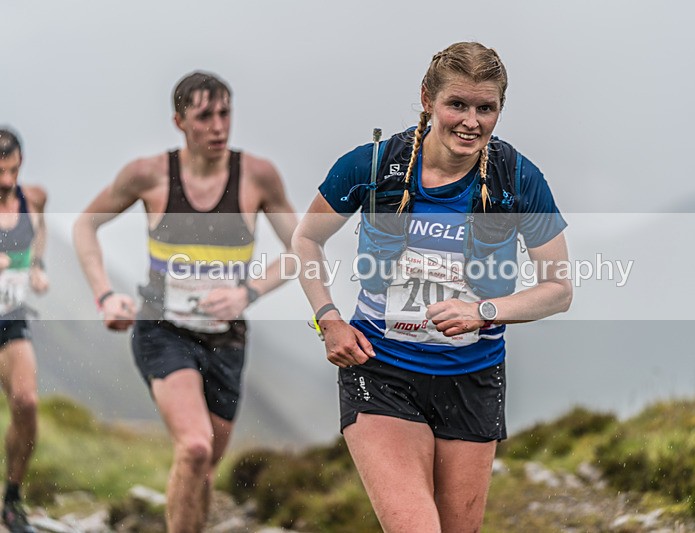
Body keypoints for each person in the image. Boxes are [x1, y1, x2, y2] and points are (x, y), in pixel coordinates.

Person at [292, 42, 573, 532]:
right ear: (427, 99)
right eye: (457, 104)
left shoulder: (519, 178)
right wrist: (329, 319)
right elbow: (307, 239)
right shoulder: (373, 165)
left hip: (473, 378)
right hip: (380, 371)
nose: (471, 121)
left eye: (486, 108)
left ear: (499, 110)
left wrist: (484, 311)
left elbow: (559, 290)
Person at [73, 72, 297, 533]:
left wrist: (247, 292)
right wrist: (105, 295)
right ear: (179, 121)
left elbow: (301, 250)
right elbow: (84, 226)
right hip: (162, 328)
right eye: (204, 116)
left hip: (227, 338)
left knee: (205, 467)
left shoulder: (257, 176)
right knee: (193, 447)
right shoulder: (148, 174)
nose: (218, 127)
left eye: (225, 113)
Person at [0, 128, 48, 533]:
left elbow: (40, 230)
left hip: (11, 317)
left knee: (27, 402)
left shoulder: (33, 198)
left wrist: (37, 265)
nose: (6, 181)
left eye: (12, 170)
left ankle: (12, 501)